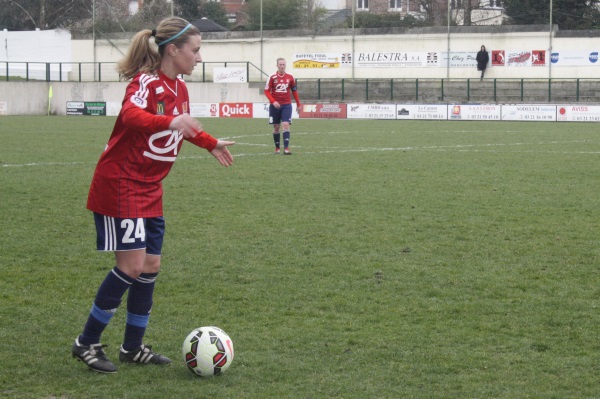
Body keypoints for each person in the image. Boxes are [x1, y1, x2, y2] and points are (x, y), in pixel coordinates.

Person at [71, 17, 235, 374]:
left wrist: (210, 143)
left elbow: (183, 126)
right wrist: (169, 122)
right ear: (173, 50)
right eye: (196, 50)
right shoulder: (145, 82)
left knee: (150, 266)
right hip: (121, 184)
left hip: (149, 188)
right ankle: (86, 342)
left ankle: (133, 347)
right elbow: (131, 115)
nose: (200, 57)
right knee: (130, 266)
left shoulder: (180, 89)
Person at [264, 57, 301, 155]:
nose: (282, 66)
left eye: (283, 64)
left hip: (286, 105)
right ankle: (277, 148)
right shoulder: (272, 77)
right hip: (274, 106)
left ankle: (286, 148)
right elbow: (266, 91)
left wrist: (298, 104)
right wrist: (273, 101)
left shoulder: (290, 77)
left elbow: (294, 91)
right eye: (280, 64)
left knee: (285, 124)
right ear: (277, 65)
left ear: (285, 65)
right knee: (276, 127)